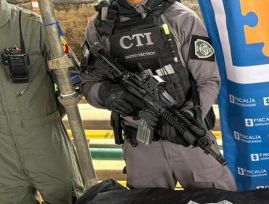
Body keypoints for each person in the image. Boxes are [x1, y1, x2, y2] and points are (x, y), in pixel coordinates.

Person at [80, 0, 236, 191]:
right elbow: (88, 83)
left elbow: (209, 80)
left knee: (219, 203)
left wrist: (191, 115)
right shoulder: (101, 26)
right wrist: (107, 94)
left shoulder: (181, 18)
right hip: (140, 145)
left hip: (189, 138)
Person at [0, 0, 78, 204]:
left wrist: (45, 115)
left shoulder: (34, 26)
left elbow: (73, 79)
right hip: (2, 162)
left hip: (47, 145)